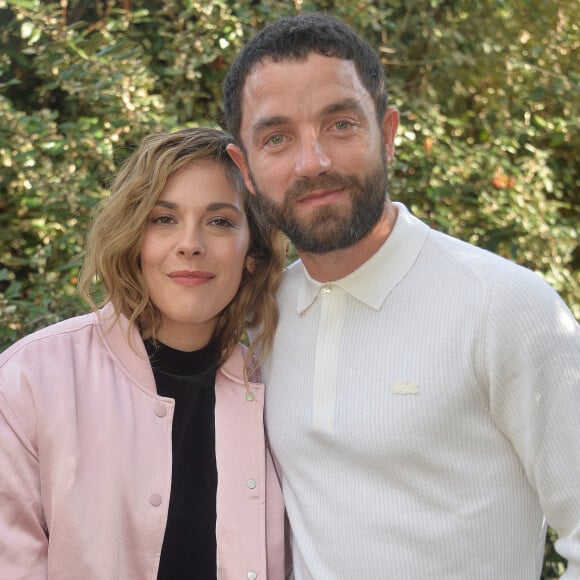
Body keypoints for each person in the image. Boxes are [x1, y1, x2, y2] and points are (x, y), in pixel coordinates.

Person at [222, 12, 580, 579]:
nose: (312, 162)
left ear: (386, 134)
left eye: (340, 125)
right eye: (277, 137)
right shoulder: (259, 318)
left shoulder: (505, 306)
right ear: (244, 167)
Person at [0, 128, 289, 579]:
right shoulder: (31, 379)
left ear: (252, 252)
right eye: (164, 219)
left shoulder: (280, 386)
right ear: (135, 239)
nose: (190, 243)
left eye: (220, 221)